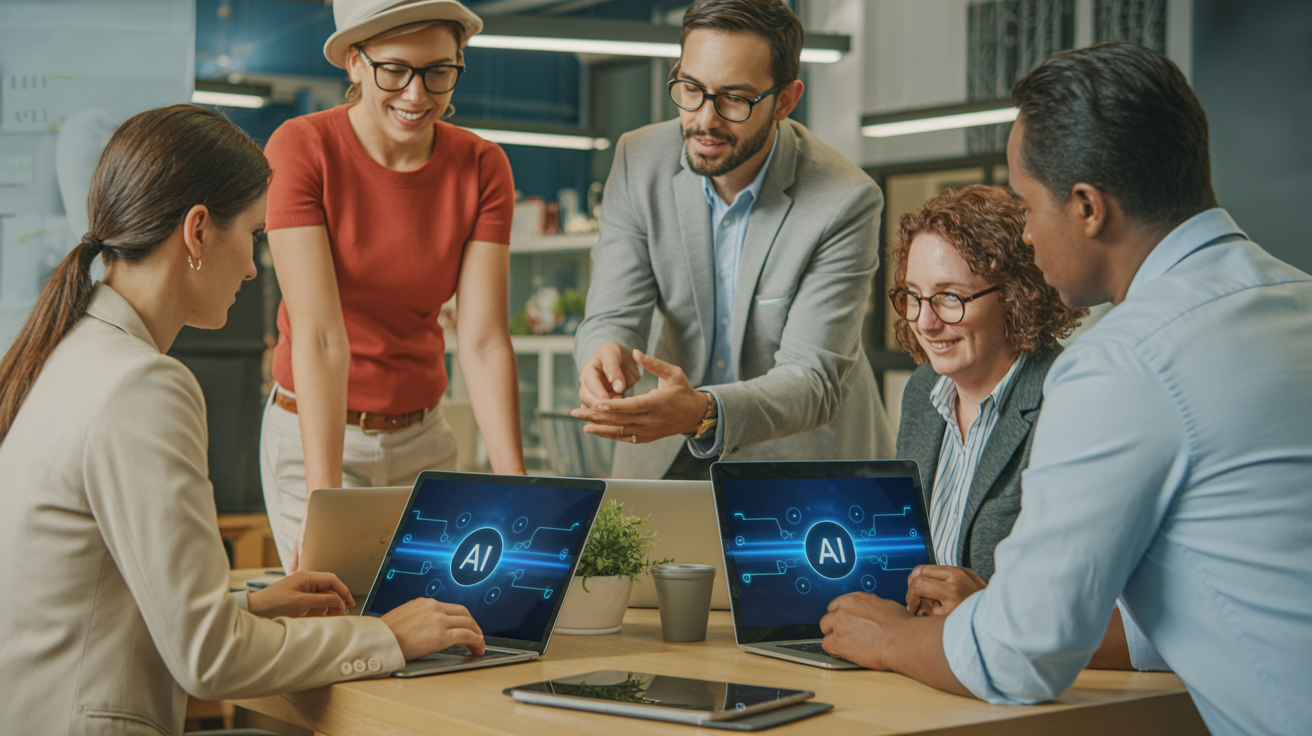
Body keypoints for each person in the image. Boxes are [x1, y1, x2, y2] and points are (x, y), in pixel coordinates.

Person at [818, 42, 1312, 736]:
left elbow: (1020, 655)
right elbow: (1223, 593)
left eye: (1025, 204)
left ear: (1086, 207)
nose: (1026, 230)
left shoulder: (1122, 361)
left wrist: (890, 638)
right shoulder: (1296, 301)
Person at [0, 105, 485, 736]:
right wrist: (384, 636)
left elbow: (88, 591)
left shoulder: (67, 352)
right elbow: (211, 658)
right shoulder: (143, 385)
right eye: (254, 235)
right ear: (198, 231)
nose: (257, 268)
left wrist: (244, 606)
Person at [571, 0, 894, 480]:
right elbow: (612, 314)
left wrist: (703, 408)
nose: (705, 120)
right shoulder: (638, 161)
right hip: (666, 445)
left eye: (735, 99)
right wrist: (604, 350)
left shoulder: (844, 199)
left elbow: (812, 379)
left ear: (784, 100)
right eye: (691, 89)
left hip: (800, 460)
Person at [261, 0, 525, 573]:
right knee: (337, 623)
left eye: (438, 71)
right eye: (395, 71)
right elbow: (321, 337)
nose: (417, 94)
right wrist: (321, 498)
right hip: (319, 435)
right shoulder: (302, 148)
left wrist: (516, 486)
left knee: (437, 621)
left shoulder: (482, 165)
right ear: (354, 63)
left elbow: (481, 341)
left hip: (426, 438)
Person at [889, 185, 1084, 585]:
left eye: (949, 297)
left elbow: (1078, 586)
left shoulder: (1068, 397)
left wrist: (977, 608)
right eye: (913, 296)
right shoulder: (922, 391)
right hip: (920, 638)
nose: (925, 322)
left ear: (1016, 296)